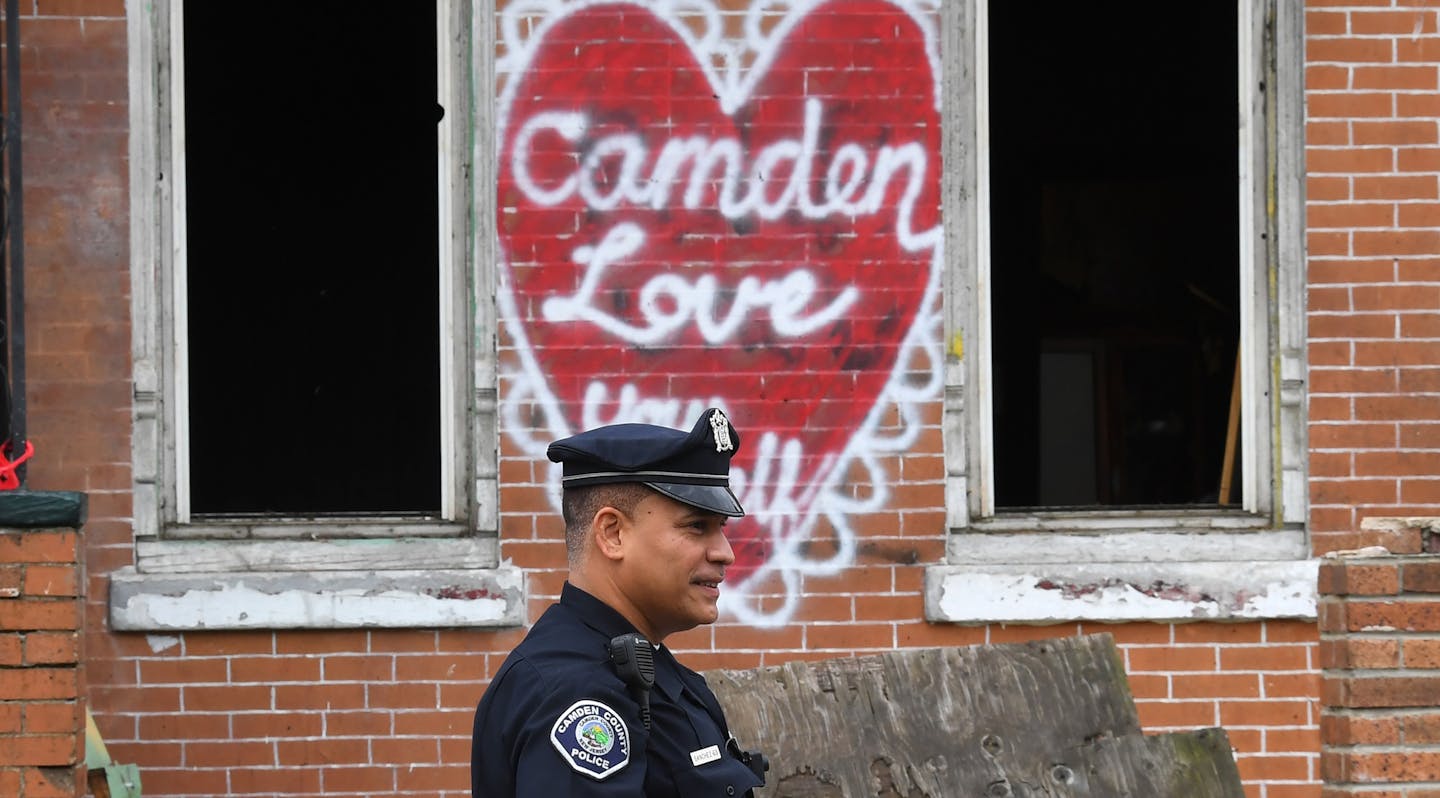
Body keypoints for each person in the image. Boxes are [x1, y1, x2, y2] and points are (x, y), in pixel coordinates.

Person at [471, 408, 768, 797]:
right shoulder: (577, 695)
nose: (725, 552)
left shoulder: (642, 669)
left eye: (721, 528)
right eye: (697, 526)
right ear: (612, 534)